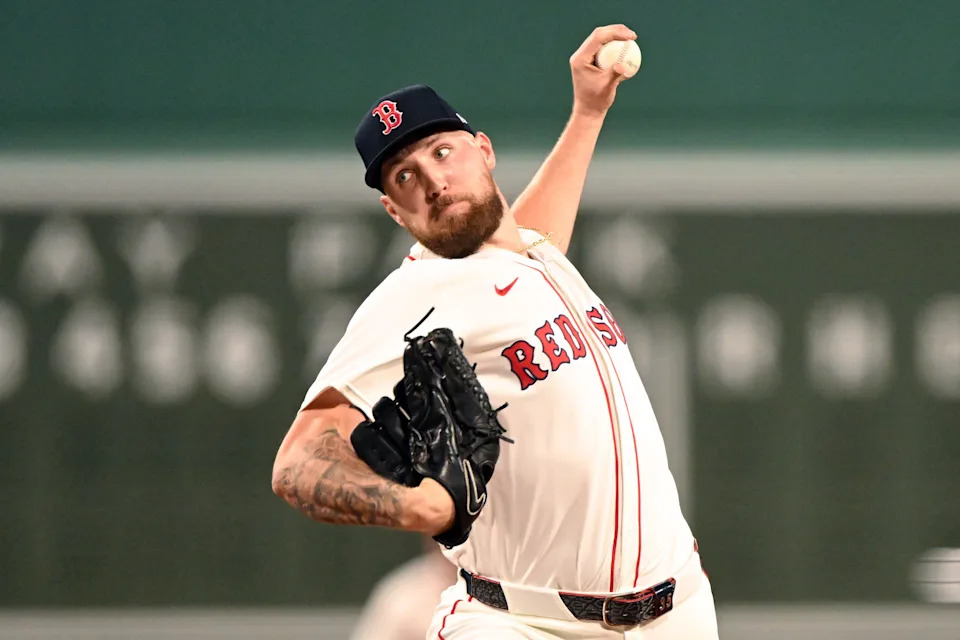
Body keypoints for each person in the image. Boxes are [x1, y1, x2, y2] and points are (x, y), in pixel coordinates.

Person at [272, 24, 719, 639]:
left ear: (484, 150)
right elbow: (297, 460)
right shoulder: (415, 295)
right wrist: (418, 507)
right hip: (523, 622)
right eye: (403, 176)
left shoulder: (530, 258)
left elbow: (521, 242)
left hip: (677, 608)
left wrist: (587, 114)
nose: (431, 179)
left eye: (441, 152)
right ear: (393, 211)